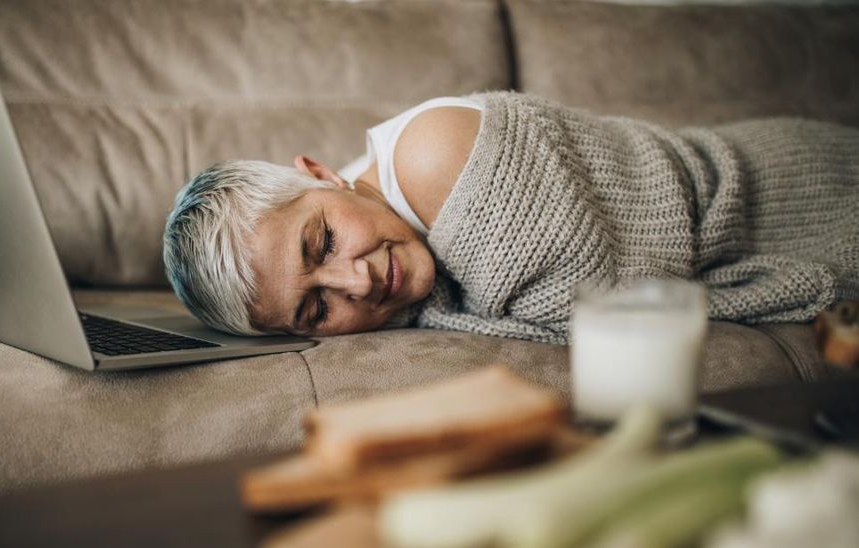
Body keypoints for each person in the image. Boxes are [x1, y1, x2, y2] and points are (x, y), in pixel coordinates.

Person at [162, 91, 859, 343]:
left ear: (319, 173)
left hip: (803, 194)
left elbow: (605, 315)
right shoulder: (384, 221)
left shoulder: (436, 155)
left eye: (324, 240)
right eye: (315, 311)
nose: (358, 281)